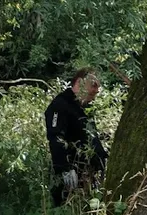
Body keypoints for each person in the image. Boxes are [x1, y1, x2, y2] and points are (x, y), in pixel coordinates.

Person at [44, 68, 108, 206]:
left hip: (89, 178)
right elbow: (55, 137)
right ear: (80, 82)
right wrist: (64, 169)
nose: (97, 90)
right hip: (71, 179)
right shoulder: (60, 105)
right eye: (94, 85)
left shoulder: (84, 108)